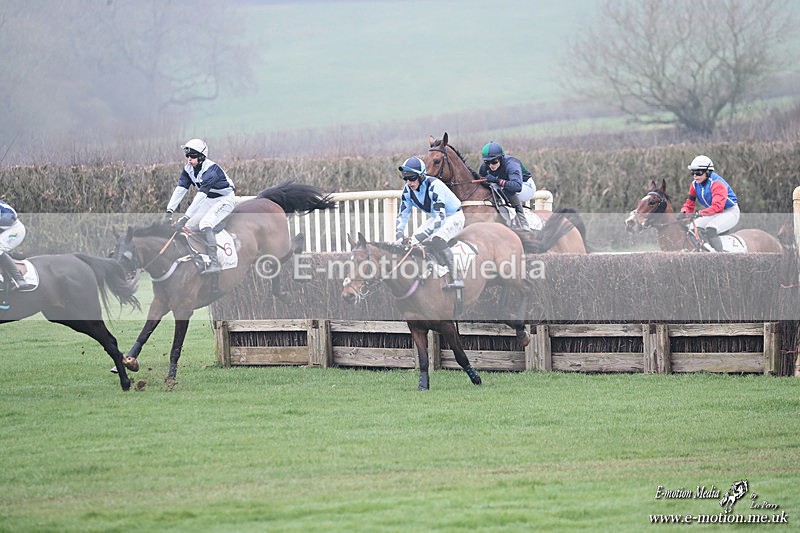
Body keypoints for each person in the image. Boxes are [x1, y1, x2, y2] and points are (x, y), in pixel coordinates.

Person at [164, 138, 236, 274]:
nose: (189, 159)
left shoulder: (211, 171)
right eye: (187, 156)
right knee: (188, 227)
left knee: (205, 224)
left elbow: (200, 197)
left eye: (193, 156)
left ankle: (215, 263)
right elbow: (180, 190)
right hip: (210, 199)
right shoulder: (188, 169)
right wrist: (169, 211)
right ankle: (199, 257)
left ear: (202, 157)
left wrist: (185, 217)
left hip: (225, 199)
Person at [394, 156, 466, 290]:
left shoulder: (435, 185)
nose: (409, 182)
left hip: (454, 216)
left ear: (421, 176)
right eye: (406, 178)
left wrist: (420, 236)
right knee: (414, 243)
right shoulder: (407, 191)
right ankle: (428, 271)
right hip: (437, 218)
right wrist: (399, 235)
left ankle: (456, 278)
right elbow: (403, 215)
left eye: (412, 178)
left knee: (437, 238)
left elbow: (441, 217)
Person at [677, 155, 739, 252]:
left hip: (730, 212)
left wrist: (700, 213)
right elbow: (689, 204)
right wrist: (683, 213)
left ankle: (720, 257)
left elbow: (718, 207)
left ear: (708, 172)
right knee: (692, 228)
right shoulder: (694, 185)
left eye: (698, 172)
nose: (695, 176)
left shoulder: (717, 184)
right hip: (714, 212)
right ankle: (704, 251)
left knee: (711, 229)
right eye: (693, 172)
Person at [478, 141, 535, 231]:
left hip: (526, 186)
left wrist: (497, 180)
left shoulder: (512, 164)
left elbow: (517, 187)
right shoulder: (485, 167)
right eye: (487, 162)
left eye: (494, 161)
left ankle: (524, 222)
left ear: (501, 158)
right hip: (507, 186)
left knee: (506, 189)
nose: (491, 165)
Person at [0, 198, 34, 291]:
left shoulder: (1, 205)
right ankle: (9, 255)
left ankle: (19, 279)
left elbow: (11, 215)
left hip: (15, 229)